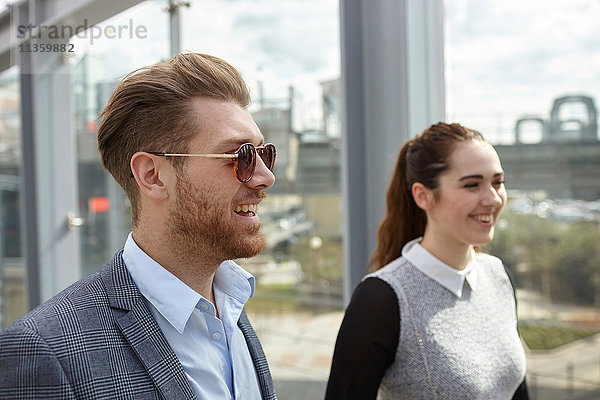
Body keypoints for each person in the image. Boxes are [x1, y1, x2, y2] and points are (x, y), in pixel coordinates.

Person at [0, 53, 278, 400]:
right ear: (152, 175)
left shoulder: (231, 305)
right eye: (240, 156)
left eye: (264, 154)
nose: (266, 177)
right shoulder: (46, 351)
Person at [325, 123, 528, 399]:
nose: (493, 198)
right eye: (472, 184)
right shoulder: (382, 298)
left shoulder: (497, 276)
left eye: (497, 182)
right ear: (423, 196)